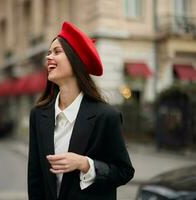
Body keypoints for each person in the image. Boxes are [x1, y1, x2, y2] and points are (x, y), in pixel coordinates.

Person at [27, 21, 135, 200]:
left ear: (75, 60)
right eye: (48, 53)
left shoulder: (106, 116)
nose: (48, 57)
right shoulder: (38, 115)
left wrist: (85, 164)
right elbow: (35, 177)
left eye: (56, 51)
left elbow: (124, 171)